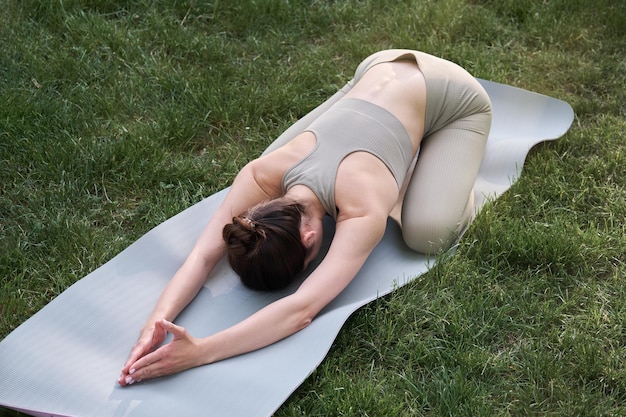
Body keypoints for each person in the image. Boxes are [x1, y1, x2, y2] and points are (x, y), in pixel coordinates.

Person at [118, 49, 492, 386]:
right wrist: (154, 324)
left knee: (427, 234)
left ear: (312, 239)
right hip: (376, 67)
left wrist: (200, 351)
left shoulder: (362, 208)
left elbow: (300, 309)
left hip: (454, 95)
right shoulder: (261, 175)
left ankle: (440, 171)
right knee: (277, 151)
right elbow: (201, 256)